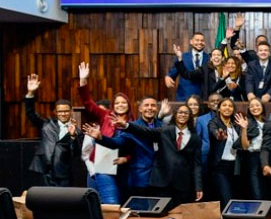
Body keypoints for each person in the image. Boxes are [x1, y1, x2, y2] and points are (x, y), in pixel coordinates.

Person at [89, 104, 203, 207]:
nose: (183, 115)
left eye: (186, 113)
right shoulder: (165, 130)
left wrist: (198, 186)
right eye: (180, 112)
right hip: (158, 181)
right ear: (175, 115)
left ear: (190, 116)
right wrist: (126, 126)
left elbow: (197, 165)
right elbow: (144, 131)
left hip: (182, 184)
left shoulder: (195, 138)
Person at [77, 62, 132, 203]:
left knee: (119, 202)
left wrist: (126, 159)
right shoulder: (105, 115)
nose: (120, 105)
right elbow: (88, 103)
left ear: (129, 105)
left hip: (123, 168)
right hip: (103, 162)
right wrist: (83, 80)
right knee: (106, 202)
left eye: (123, 102)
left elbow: (136, 148)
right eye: (117, 103)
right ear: (113, 105)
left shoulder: (133, 123)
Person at [24, 73, 82, 187]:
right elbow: (30, 113)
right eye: (60, 111)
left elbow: (76, 153)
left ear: (71, 112)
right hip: (44, 170)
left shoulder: (77, 131)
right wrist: (30, 93)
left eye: (66, 111)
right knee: (45, 202)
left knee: (62, 202)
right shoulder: (46, 124)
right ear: (56, 112)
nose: (63, 114)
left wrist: (73, 136)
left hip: (64, 174)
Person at [208, 98, 256, 206]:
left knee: (236, 198)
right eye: (224, 105)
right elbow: (214, 131)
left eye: (230, 106)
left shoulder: (236, 124)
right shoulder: (214, 122)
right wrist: (219, 135)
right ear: (219, 108)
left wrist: (244, 128)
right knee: (227, 198)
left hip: (235, 166)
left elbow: (244, 146)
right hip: (219, 167)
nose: (227, 108)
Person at [166, 31, 209, 101]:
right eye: (197, 40)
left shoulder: (209, 58)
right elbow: (172, 73)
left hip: (203, 99)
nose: (200, 42)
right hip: (184, 97)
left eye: (202, 40)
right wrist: (168, 76)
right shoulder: (182, 57)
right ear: (191, 42)